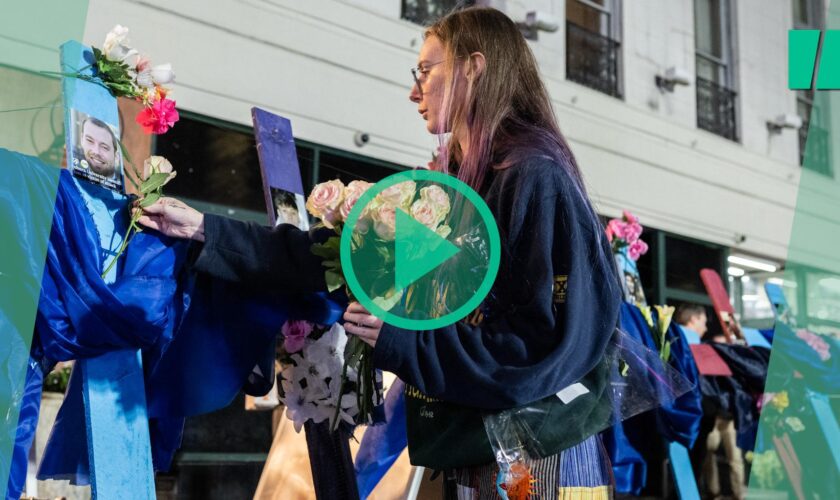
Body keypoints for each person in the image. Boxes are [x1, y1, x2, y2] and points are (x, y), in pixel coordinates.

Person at [137, 7, 621, 498]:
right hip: (482, 447)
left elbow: (540, 346)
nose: (415, 91)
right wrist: (204, 229)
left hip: (537, 462)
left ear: (474, 67)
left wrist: (406, 343)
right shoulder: (464, 181)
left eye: (426, 72)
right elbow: (338, 259)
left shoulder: (533, 176)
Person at [676, 304, 745, 499]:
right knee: (695, 461)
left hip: (694, 415)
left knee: (699, 461)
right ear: (694, 319)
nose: (706, 327)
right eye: (704, 321)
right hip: (694, 415)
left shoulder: (681, 342)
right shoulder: (690, 346)